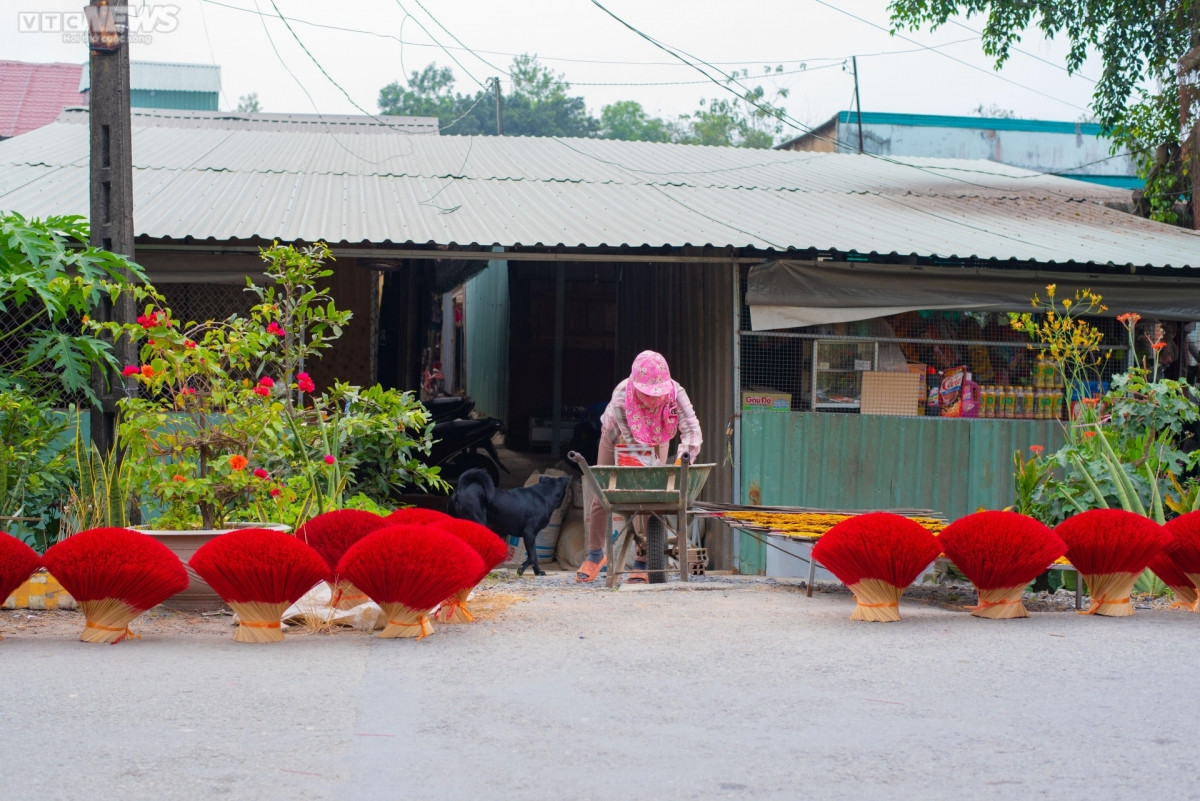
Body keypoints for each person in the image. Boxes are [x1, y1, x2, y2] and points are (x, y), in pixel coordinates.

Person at [577, 351, 703, 585]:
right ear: (636, 386)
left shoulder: (677, 393)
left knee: (649, 495)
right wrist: (641, 468)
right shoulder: (621, 395)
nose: (652, 399)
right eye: (647, 394)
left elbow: (692, 430)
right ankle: (595, 554)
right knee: (601, 491)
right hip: (619, 436)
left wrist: (682, 460)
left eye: (657, 393)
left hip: (658, 435)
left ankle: (642, 560)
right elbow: (633, 445)